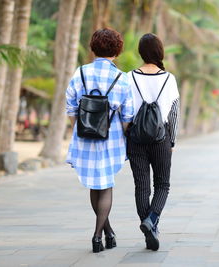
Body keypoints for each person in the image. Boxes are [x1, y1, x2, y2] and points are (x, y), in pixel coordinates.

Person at [65, 28, 134, 253]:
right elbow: (127, 115)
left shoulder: (81, 72)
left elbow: (71, 106)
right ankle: (97, 236)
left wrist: (81, 129)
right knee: (105, 185)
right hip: (111, 139)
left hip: (84, 137)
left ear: (93, 47)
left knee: (96, 184)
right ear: (117, 50)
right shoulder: (121, 78)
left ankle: (108, 232)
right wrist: (124, 134)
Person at [127, 33, 180, 251]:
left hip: (135, 137)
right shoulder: (169, 79)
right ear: (160, 52)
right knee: (163, 184)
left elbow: (124, 111)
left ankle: (149, 224)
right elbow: (174, 113)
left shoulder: (128, 77)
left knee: (141, 185)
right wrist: (173, 141)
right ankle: (152, 220)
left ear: (141, 52)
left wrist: (125, 135)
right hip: (161, 139)